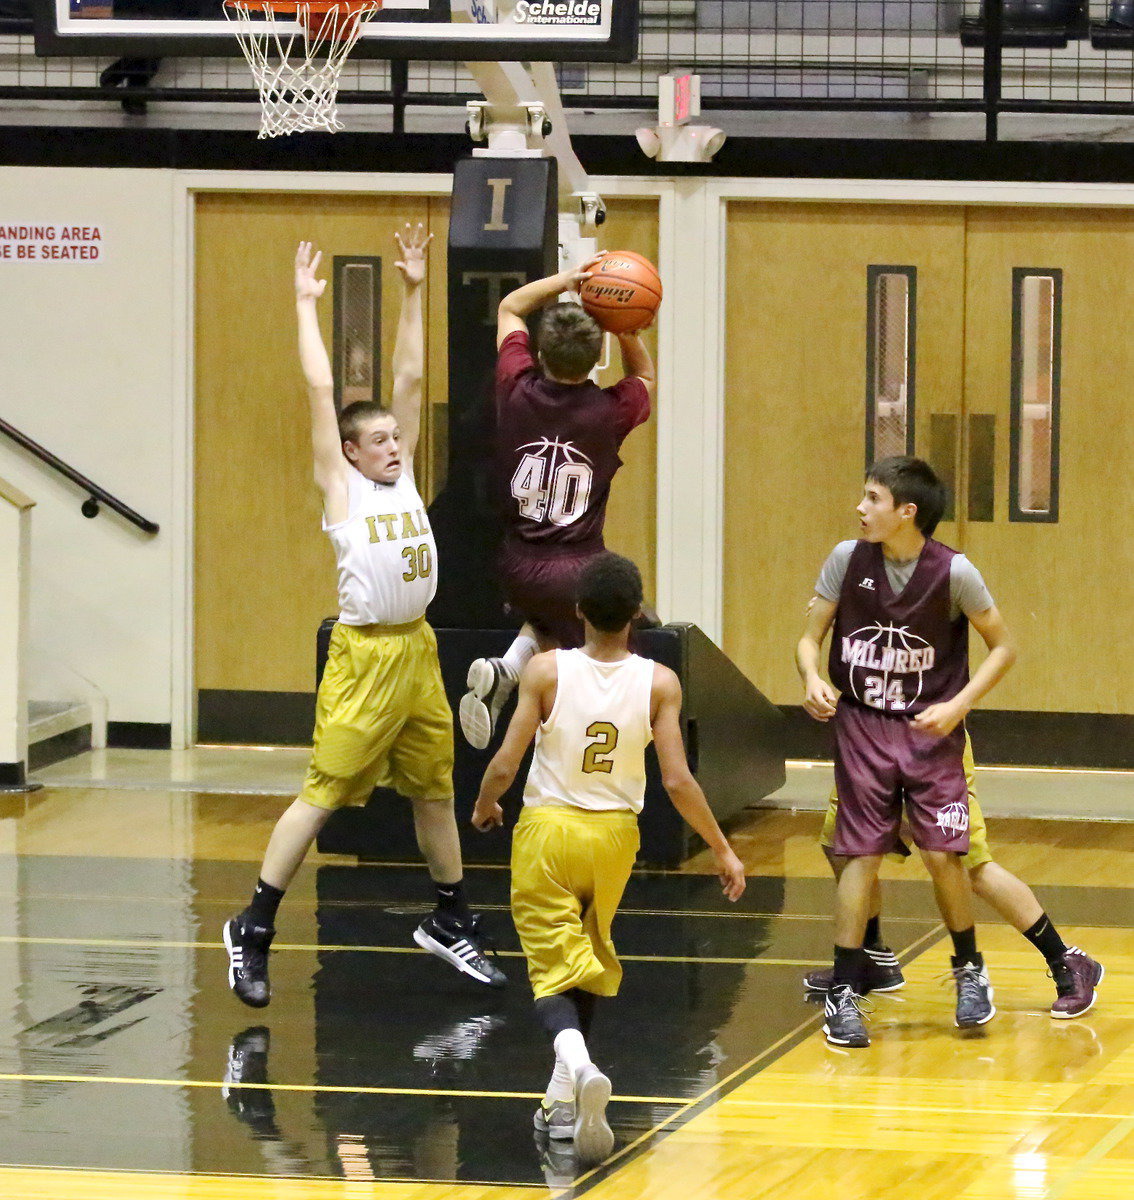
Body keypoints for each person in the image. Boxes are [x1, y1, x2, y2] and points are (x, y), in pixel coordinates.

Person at [223, 227, 504, 1009]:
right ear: (347, 453)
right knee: (320, 796)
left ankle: (451, 918)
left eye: (394, 438)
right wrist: (305, 306)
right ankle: (254, 926)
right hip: (364, 657)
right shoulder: (343, 489)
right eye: (376, 440)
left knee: (434, 793)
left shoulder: (405, 479)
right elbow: (321, 393)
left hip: (417, 651)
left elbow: (411, 375)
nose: (392, 446)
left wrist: (416, 290)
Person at [470, 552, 746, 1163]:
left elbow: (506, 761)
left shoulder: (545, 671)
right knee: (588, 958)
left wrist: (487, 803)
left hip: (549, 831)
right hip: (617, 838)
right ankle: (561, 1100)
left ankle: (578, 1064)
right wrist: (723, 850)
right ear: (637, 616)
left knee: (550, 971)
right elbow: (677, 781)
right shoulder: (660, 682)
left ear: (577, 612)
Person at [797, 455, 1017, 1048]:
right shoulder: (847, 560)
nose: (860, 507)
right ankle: (847, 989)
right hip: (864, 727)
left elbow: (1003, 647)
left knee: (944, 855)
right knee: (858, 853)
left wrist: (959, 704)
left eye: (872, 498)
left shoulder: (956, 573)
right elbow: (809, 635)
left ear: (906, 512)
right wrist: (812, 676)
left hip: (929, 731)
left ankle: (969, 970)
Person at [458, 263, 656, 750]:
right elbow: (645, 375)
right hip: (580, 567)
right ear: (595, 358)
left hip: (514, 561)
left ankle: (507, 667)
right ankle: (539, 733)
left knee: (544, 620)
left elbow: (510, 307)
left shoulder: (514, 387)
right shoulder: (612, 411)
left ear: (540, 352)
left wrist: (569, 280)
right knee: (619, 654)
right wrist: (625, 327)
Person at [802, 733, 1104, 1019]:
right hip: (871, 737)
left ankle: (1066, 958)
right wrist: (811, 678)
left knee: (968, 864)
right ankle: (870, 956)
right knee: (840, 845)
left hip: (932, 741)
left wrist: (952, 707)